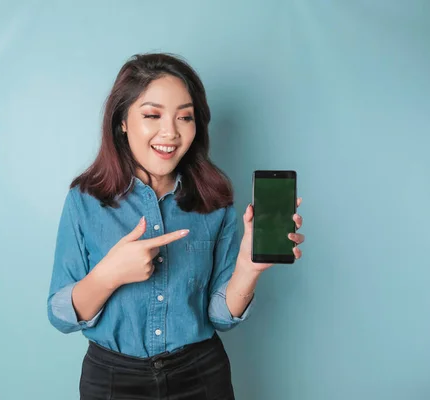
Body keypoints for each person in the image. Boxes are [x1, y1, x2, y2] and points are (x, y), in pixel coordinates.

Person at [47, 52, 305, 400]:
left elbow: (220, 316)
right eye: (152, 115)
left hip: (201, 375)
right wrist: (109, 274)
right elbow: (61, 315)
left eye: (185, 117)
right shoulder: (86, 199)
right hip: (112, 379)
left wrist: (247, 269)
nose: (170, 132)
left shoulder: (215, 200)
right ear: (121, 121)